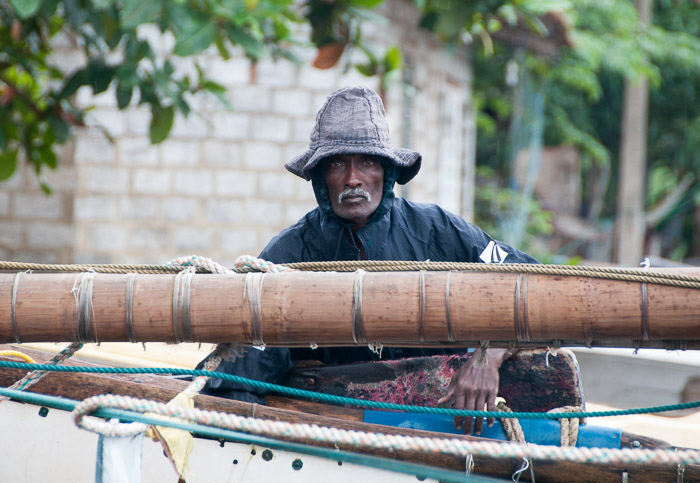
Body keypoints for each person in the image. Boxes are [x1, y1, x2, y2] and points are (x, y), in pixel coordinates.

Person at [200, 86, 539, 435]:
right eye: (337, 164)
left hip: (448, 429)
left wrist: (488, 357)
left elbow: (533, 285)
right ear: (320, 179)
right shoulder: (289, 257)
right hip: (335, 436)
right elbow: (238, 379)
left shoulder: (437, 230)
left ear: (387, 172)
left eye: (367, 162)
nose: (352, 179)